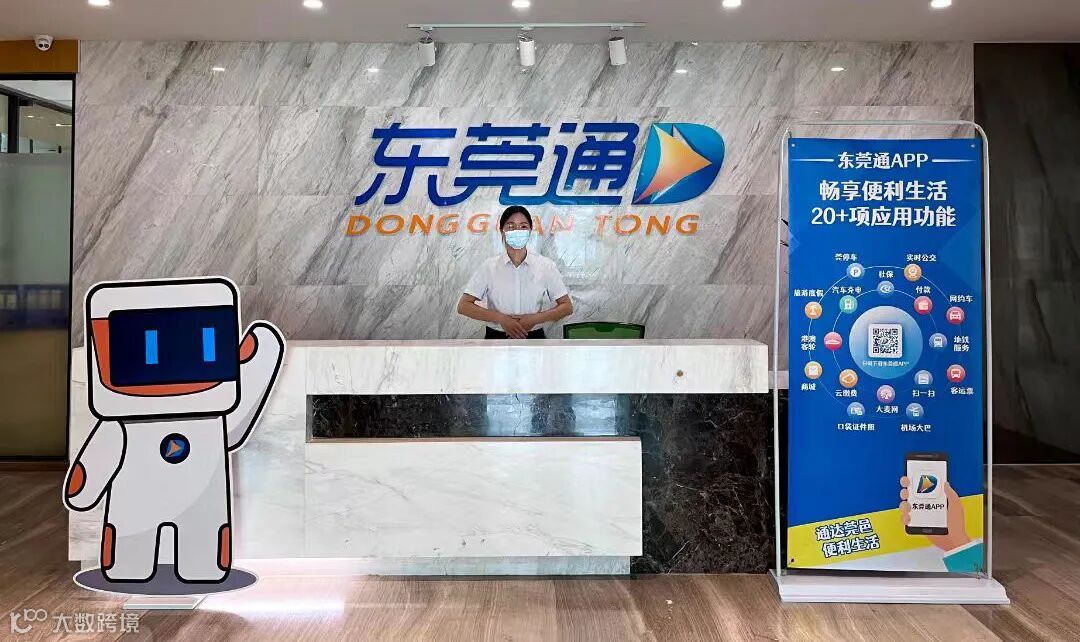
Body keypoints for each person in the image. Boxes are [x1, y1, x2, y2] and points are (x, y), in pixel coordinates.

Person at [457, 206, 573, 339]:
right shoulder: (489, 266)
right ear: (502, 231)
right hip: (496, 338)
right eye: (511, 226)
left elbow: (567, 307)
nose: (517, 231)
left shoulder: (545, 266)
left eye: (523, 226)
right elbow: (463, 306)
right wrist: (501, 318)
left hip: (533, 337)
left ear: (530, 231)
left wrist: (534, 319)